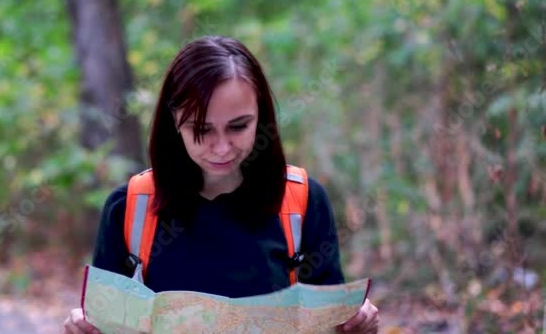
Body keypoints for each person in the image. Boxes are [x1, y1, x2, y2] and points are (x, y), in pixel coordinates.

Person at [63, 36, 379, 333]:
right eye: (202, 129)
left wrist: (357, 323)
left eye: (238, 126)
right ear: (174, 121)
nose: (222, 147)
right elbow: (105, 322)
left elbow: (331, 322)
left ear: (261, 117)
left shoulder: (302, 201)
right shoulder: (131, 206)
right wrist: (85, 327)